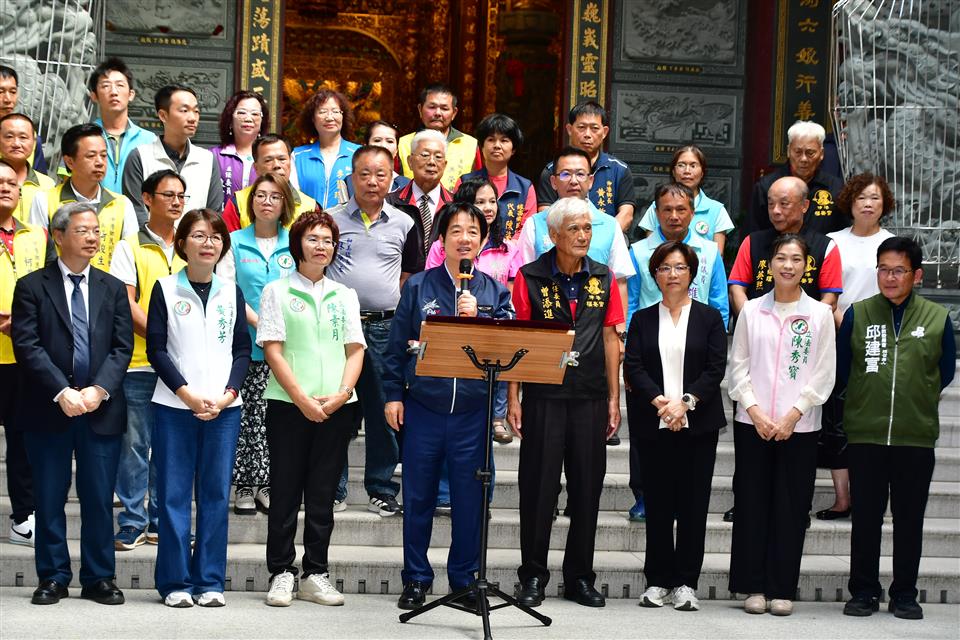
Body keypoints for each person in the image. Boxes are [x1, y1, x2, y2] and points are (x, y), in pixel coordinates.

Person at [383, 201, 514, 610]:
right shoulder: (419, 286)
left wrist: (482, 322)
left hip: (472, 416)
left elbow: (511, 352)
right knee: (419, 497)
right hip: (424, 408)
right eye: (455, 230)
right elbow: (394, 350)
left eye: (472, 232)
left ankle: (464, 580)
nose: (464, 239)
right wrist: (392, 395)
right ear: (442, 239)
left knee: (470, 500)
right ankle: (416, 579)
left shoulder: (495, 292)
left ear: (482, 240)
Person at [12, 202, 134, 606]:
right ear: (59, 236)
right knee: (49, 497)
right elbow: (27, 344)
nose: (93, 238)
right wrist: (61, 392)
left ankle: (99, 577)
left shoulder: (112, 287)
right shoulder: (32, 286)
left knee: (99, 497)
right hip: (49, 408)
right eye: (83, 230)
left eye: (96, 231)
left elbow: (122, 347)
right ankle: (53, 576)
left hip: (100, 409)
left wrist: (98, 390)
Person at [509, 197, 624, 608]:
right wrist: (513, 396)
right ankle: (533, 577)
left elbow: (612, 337)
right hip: (543, 395)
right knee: (538, 488)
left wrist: (614, 398)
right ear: (553, 235)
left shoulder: (604, 277)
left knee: (587, 489)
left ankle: (580, 577)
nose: (582, 236)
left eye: (587, 229)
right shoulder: (530, 275)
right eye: (574, 229)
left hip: (591, 395)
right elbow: (520, 338)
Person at [838, 236, 956, 620]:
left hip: (914, 435)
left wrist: (916, 399)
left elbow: (944, 371)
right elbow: (843, 370)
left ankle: (904, 593)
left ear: (917, 275)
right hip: (866, 434)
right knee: (867, 519)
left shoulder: (937, 319)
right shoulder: (858, 314)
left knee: (909, 520)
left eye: (899, 271)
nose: (890, 278)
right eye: (884, 270)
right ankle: (864, 592)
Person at [258, 210, 365, 607]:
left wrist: (341, 394)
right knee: (285, 491)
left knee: (322, 495)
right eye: (313, 239)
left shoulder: (345, 295)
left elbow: (355, 350)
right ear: (298, 244)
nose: (322, 246)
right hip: (289, 405)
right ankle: (281, 572)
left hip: (336, 406)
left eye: (328, 240)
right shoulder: (277, 291)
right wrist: (302, 398)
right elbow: (272, 349)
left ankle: (315, 572)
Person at [726, 234, 836, 617]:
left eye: (796, 259)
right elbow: (737, 367)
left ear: (807, 266)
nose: (788, 265)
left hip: (800, 427)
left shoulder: (820, 315)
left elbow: (824, 374)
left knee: (790, 508)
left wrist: (793, 414)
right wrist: (755, 411)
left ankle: (782, 587)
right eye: (780, 258)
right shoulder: (752, 311)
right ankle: (752, 586)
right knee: (752, 503)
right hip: (752, 423)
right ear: (769, 265)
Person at [146, 209, 251, 608]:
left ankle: (209, 581)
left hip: (225, 408)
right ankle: (175, 582)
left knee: (214, 496)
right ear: (182, 243)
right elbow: (156, 348)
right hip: (175, 407)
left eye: (215, 237)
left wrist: (228, 392)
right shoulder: (165, 288)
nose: (209, 243)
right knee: (173, 495)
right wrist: (186, 393)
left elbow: (242, 348)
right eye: (199, 236)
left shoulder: (230, 290)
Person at [624, 241, 727, 612]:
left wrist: (685, 403)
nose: (672, 274)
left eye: (680, 267)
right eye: (665, 267)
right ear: (655, 274)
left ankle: (685, 582)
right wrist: (661, 403)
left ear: (692, 272)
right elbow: (633, 366)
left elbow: (715, 368)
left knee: (693, 505)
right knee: (659, 504)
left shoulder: (709, 318)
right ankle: (657, 581)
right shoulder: (642, 318)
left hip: (697, 425)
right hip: (654, 424)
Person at [327, 145, 420, 516]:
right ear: (351, 177)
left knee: (383, 409)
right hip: (338, 328)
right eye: (364, 173)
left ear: (392, 178)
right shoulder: (330, 220)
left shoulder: (404, 222)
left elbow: (408, 277)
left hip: (384, 327)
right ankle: (334, 487)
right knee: (337, 408)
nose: (372, 181)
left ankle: (381, 487)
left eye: (381, 174)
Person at [108, 169, 187, 550]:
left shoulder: (191, 245)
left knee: (170, 447)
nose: (175, 202)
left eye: (181, 196)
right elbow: (126, 303)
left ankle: (160, 520)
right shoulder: (128, 246)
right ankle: (133, 520)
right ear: (147, 198)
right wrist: (165, 338)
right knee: (135, 445)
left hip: (183, 369)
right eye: (168, 195)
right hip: (141, 364)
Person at [816, 174, 896, 521]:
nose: (868, 203)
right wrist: (846, 327)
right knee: (838, 418)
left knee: (873, 420)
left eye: (875, 198)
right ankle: (842, 498)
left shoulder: (893, 242)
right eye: (862, 197)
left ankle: (871, 497)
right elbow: (827, 291)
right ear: (849, 201)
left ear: (884, 205)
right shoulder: (832, 242)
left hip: (881, 335)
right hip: (837, 334)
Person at [217, 173, 297, 515]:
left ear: (285, 205)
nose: (267, 201)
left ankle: (267, 483)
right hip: (244, 345)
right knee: (244, 417)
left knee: (273, 419)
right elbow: (228, 291)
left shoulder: (294, 242)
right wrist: (260, 324)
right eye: (261, 195)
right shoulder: (234, 241)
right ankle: (244, 486)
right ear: (251, 203)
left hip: (286, 347)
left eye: (275, 197)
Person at [426, 177, 520, 444]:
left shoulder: (507, 246)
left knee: (499, 359)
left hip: (489, 314)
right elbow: (433, 280)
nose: (488, 207)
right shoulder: (443, 246)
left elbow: (511, 288)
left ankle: (497, 416)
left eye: (493, 201)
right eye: (480, 201)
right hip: (451, 317)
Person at [0, 159, 55, 547]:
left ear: (21, 192)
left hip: (23, 358)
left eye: (10, 182)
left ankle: (23, 517)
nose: (5, 187)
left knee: (22, 440)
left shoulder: (37, 235)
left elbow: (51, 289)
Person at [518, 148, 635, 323]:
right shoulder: (535, 224)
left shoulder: (610, 225)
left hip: (594, 329)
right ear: (553, 182)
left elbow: (619, 282)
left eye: (580, 174)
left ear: (591, 180)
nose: (573, 181)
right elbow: (524, 279)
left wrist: (619, 333)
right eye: (565, 174)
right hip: (547, 325)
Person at [29, 124, 140, 272]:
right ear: (69, 161)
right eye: (91, 156)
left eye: (104, 155)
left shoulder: (122, 204)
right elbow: (36, 250)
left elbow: (131, 258)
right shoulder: (45, 200)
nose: (100, 162)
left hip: (109, 291)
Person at [728, 176, 842, 316]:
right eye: (771, 204)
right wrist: (752, 322)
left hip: (806, 332)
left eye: (784, 204)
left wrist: (804, 327)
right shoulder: (752, 242)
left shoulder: (825, 246)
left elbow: (830, 299)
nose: (775, 210)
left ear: (804, 206)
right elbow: (736, 289)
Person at [627, 182, 729, 326]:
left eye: (681, 210)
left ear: (692, 213)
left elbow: (719, 303)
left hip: (697, 337)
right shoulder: (638, 252)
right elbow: (629, 303)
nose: (674, 216)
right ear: (657, 213)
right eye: (667, 210)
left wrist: (719, 340)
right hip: (649, 338)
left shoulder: (710, 251)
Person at [123, 84, 224, 222]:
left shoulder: (207, 159)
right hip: (149, 243)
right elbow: (135, 212)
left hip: (196, 242)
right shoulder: (140, 156)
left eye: (196, 111)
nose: (193, 118)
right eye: (184, 110)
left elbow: (214, 214)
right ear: (163, 115)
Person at [535, 101, 635, 231]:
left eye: (594, 128)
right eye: (581, 127)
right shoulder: (552, 171)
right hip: (563, 244)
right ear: (570, 130)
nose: (587, 134)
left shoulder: (620, 170)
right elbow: (545, 214)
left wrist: (601, 240)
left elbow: (626, 215)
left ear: (604, 132)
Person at [745, 120, 846, 236]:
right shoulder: (767, 186)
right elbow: (754, 235)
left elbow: (844, 233)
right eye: (797, 152)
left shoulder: (835, 188)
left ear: (821, 153)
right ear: (788, 151)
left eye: (810, 153)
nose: (803, 159)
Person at [635, 146, 735, 253]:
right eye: (681, 165)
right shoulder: (657, 207)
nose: (687, 171)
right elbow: (649, 252)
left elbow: (717, 256)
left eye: (693, 165)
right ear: (673, 171)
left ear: (702, 172)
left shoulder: (717, 210)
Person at [457, 113, 536, 240]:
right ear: (481, 146)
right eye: (491, 140)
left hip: (512, 255)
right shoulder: (465, 182)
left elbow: (527, 229)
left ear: (513, 149)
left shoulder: (525, 187)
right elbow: (457, 221)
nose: (497, 145)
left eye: (504, 140)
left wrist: (506, 251)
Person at [87, 58, 157, 194]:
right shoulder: (83, 138)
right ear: (94, 96)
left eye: (120, 85)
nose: (114, 92)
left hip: (137, 214)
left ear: (131, 94)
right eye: (106, 86)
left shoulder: (150, 140)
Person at [386, 129, 454, 269]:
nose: (431, 162)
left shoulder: (455, 206)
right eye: (425, 155)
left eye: (438, 157)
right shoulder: (390, 203)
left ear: (445, 165)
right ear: (410, 162)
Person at [222, 134, 316, 232]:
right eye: (268, 160)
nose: (277, 165)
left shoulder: (310, 207)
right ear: (256, 168)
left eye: (282, 159)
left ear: (290, 163)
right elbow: (227, 244)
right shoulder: (238, 203)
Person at [397, 84, 481, 191]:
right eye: (432, 107)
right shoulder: (403, 144)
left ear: (454, 113)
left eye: (444, 108)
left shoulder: (470, 145)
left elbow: (478, 187)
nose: (437, 113)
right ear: (420, 109)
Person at [291, 89, 359, 209]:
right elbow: (293, 198)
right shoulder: (298, 156)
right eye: (322, 112)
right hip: (307, 225)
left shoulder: (359, 154)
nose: (329, 117)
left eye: (335, 111)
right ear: (312, 118)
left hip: (347, 226)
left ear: (343, 116)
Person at [211, 90, 270, 203]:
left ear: (262, 122)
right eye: (242, 112)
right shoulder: (213, 156)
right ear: (230, 120)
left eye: (255, 114)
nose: (248, 118)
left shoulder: (270, 157)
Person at [335, 120, 410, 202]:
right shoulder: (349, 182)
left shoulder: (406, 185)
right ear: (366, 147)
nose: (383, 146)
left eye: (390, 141)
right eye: (377, 140)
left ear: (396, 150)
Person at [0, 113, 54, 223]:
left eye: (23, 137)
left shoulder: (48, 185)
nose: (16, 143)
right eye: (9, 137)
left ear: (34, 142)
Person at [0, 65, 47, 173]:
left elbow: (39, 179)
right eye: (0, 92)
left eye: (12, 92)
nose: (8, 99)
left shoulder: (31, 137)